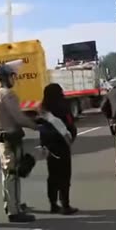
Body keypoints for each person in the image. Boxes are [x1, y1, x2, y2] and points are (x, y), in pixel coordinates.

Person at [0, 62, 38, 222]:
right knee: (13, 175)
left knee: (7, 174)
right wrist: (36, 126)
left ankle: (10, 204)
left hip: (2, 140)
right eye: (12, 76)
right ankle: (14, 211)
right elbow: (18, 117)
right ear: (6, 77)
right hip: (11, 139)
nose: (14, 79)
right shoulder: (6, 94)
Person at [38, 83, 78, 215]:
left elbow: (41, 128)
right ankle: (65, 205)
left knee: (53, 176)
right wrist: (71, 137)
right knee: (65, 176)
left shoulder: (43, 109)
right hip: (62, 145)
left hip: (50, 146)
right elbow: (70, 124)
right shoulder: (63, 107)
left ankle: (53, 204)